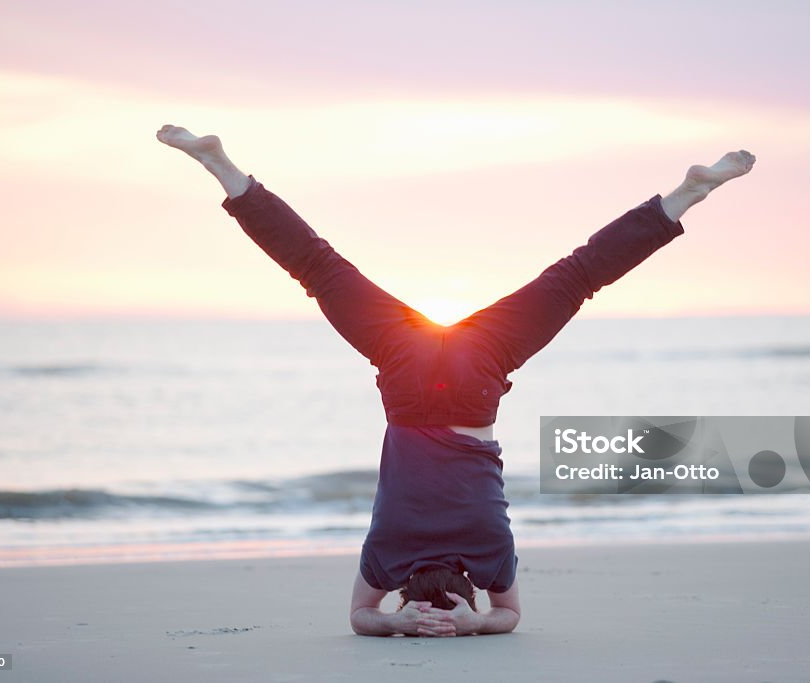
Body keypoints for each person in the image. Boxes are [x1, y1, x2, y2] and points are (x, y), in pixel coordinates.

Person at [156, 124, 755, 637]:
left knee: (577, 277)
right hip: (408, 375)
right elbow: (361, 615)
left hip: (475, 376)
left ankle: (684, 197)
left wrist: (473, 623)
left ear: (467, 590)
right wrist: (393, 622)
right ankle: (223, 169)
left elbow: (509, 614)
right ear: (406, 591)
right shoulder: (385, 559)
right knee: (318, 267)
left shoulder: (489, 555)